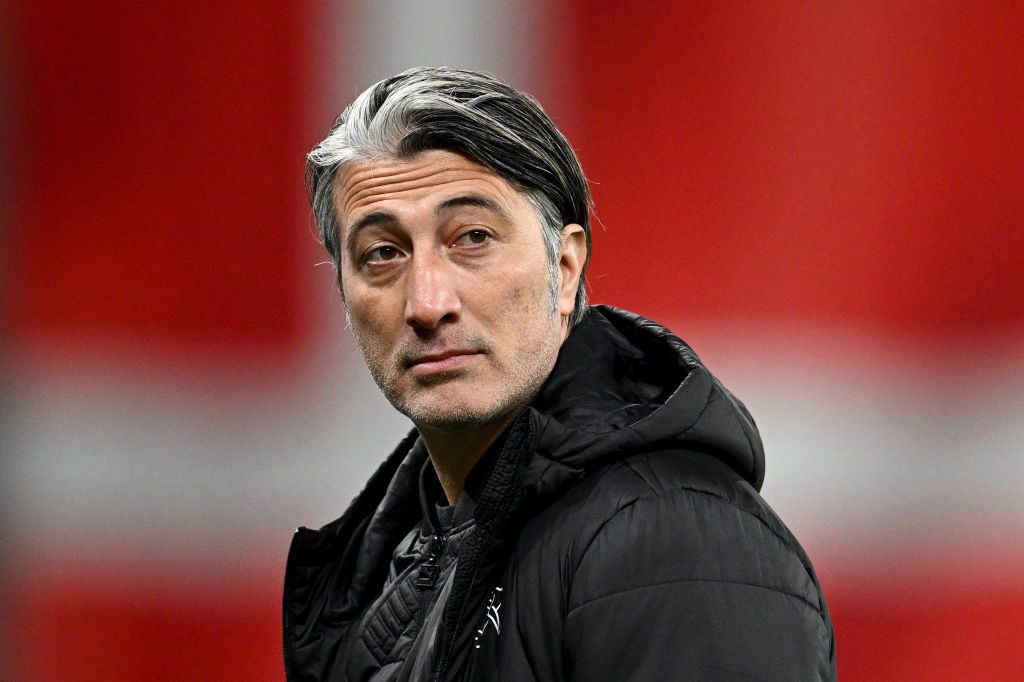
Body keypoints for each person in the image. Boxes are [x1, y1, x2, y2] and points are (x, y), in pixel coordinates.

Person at [283, 66, 836, 681]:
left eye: (471, 237)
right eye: (382, 254)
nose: (427, 302)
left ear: (565, 266)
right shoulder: (394, 562)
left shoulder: (671, 541)